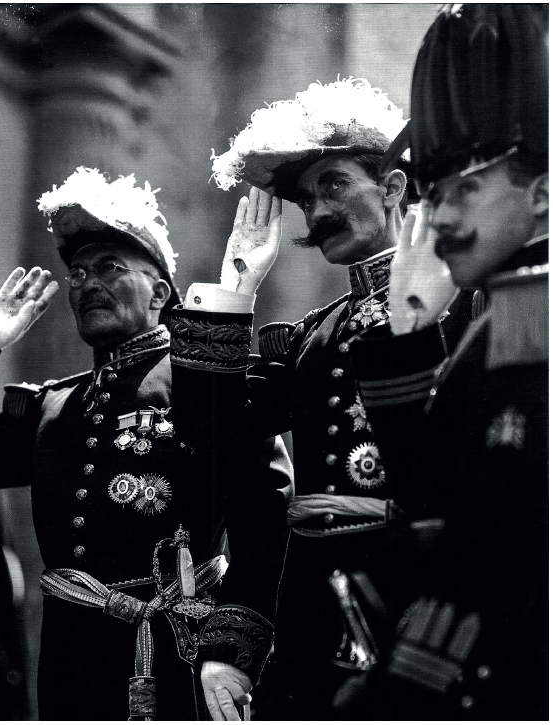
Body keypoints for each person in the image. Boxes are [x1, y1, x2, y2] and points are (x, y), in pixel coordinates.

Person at [0, 167, 293, 721]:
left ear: (159, 293)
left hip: (180, 651)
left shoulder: (206, 384)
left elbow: (266, 513)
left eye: (109, 267)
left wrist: (232, 650)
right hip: (68, 657)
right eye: (76, 274)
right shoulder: (55, 404)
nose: (87, 284)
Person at [169, 78, 472, 719]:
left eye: (333, 185)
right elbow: (217, 444)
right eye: (306, 200)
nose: (317, 214)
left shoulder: (468, 302)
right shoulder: (312, 336)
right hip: (308, 616)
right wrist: (235, 296)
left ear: (392, 188)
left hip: (420, 603)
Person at [345, 4, 548, 719]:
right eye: (432, 193)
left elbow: (491, 548)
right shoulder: (495, 316)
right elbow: (438, 499)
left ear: (542, 193)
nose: (440, 219)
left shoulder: (532, 318)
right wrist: (405, 327)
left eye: (467, 187)